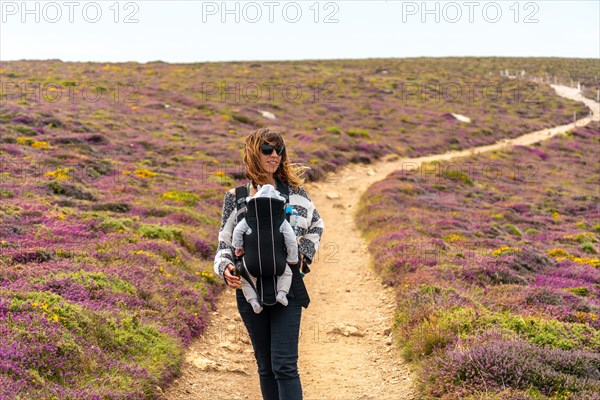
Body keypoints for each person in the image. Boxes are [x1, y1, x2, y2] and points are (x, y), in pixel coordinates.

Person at [213, 127, 324, 400]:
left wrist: (303, 257)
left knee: (284, 366)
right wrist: (225, 269)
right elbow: (225, 243)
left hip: (289, 289)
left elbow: (316, 225)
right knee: (265, 368)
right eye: (267, 150)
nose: (274, 155)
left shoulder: (296, 194)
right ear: (254, 153)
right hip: (250, 288)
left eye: (279, 150)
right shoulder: (236, 197)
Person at [232, 183, 298, 313]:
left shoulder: (248, 220)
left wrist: (238, 246)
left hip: (252, 264)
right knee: (287, 273)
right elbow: (291, 241)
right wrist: (292, 258)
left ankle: (253, 301)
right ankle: (282, 294)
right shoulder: (281, 221)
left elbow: (237, 232)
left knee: (246, 279)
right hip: (277, 264)